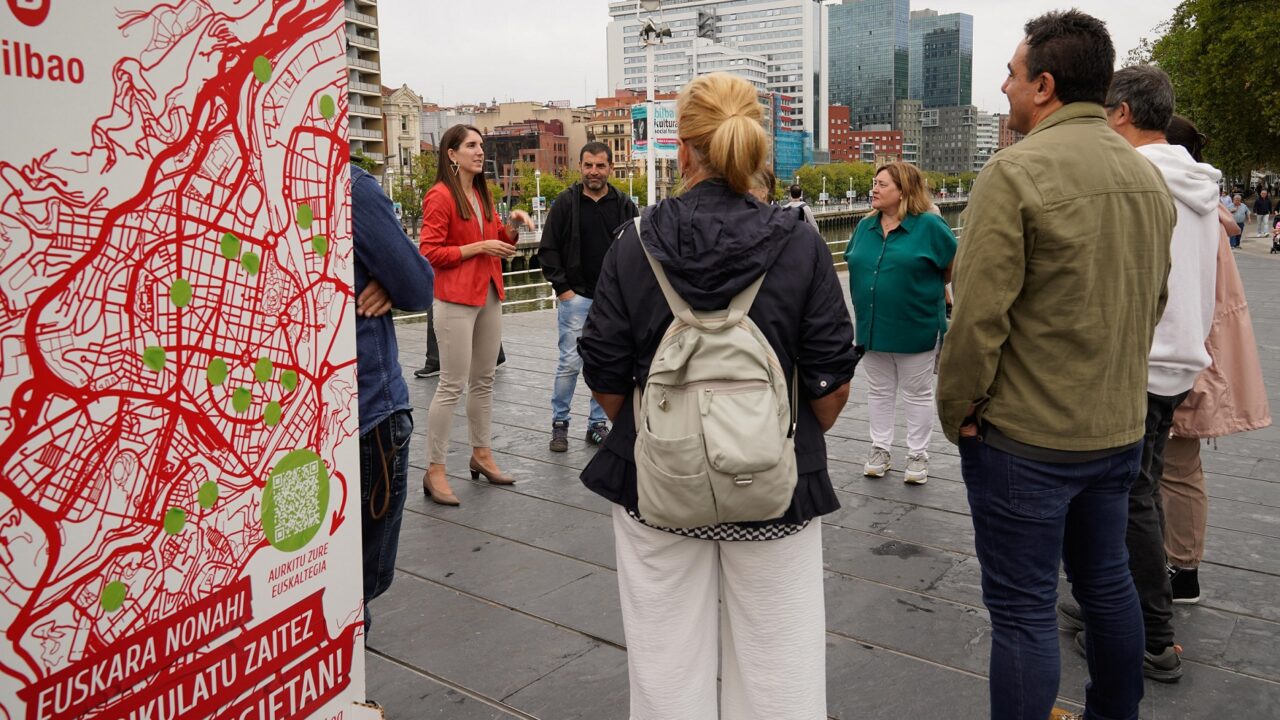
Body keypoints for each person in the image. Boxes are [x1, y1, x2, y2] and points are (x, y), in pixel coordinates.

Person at [578, 72, 858, 719]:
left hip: (657, 492)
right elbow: (831, 387)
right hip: (774, 487)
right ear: (758, 150)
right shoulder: (800, 242)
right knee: (779, 673)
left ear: (683, 150)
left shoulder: (633, 242)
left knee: (665, 672)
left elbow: (604, 375)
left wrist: (669, 436)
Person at [935, 11, 1176, 719]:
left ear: (1043, 86)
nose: (1004, 88)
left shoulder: (1013, 173)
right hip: (1115, 432)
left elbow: (977, 319)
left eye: (1012, 74)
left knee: (1022, 611)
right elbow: (1151, 303)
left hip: (1026, 442)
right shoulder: (1145, 179)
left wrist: (960, 413)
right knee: (1108, 585)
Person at [1057, 64, 1220, 685]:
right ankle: (1104, 596)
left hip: (1140, 357)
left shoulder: (1131, 176)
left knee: (1131, 499)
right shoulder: (1199, 182)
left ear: (1120, 112)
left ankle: (1151, 635)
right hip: (1179, 355)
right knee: (1132, 490)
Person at [1159, 115, 1271, 605]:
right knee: (1181, 467)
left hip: (1176, 354)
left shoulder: (1170, 202)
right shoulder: (1208, 204)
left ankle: (1174, 569)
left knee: (1168, 468)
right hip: (1201, 352)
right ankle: (1182, 567)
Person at [419, 124, 534, 506]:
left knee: (483, 380)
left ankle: (481, 454)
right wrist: (478, 246)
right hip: (454, 299)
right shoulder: (439, 197)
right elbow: (430, 252)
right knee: (451, 384)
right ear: (451, 154)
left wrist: (512, 227)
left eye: (481, 145)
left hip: (488, 292)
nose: (479, 151)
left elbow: (498, 240)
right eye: (471, 145)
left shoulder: (482, 193)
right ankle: (435, 469)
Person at [350, 163, 435, 628]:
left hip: (290, 421)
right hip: (366, 409)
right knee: (356, 584)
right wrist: (388, 276)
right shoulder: (350, 186)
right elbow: (419, 285)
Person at [845, 162, 956, 485]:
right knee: (879, 392)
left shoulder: (930, 227)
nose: (874, 189)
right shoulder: (865, 226)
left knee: (916, 393)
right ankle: (880, 448)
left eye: (882, 184)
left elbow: (953, 265)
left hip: (915, 324)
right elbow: (854, 261)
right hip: (872, 325)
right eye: (874, 183)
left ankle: (917, 454)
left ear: (903, 191)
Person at [538, 142, 639, 453]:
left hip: (613, 301)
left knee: (607, 364)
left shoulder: (623, 204)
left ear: (610, 168)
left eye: (600, 165)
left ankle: (597, 424)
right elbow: (549, 248)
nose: (593, 171)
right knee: (569, 363)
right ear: (579, 166)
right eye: (588, 165)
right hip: (577, 298)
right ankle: (560, 424)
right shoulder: (566, 203)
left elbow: (637, 247)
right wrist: (563, 290)